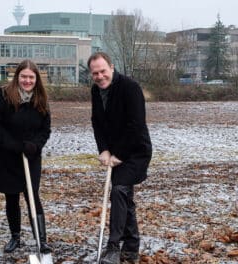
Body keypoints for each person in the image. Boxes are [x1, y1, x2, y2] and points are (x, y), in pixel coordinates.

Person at [88, 52, 152, 264]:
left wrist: (119, 154)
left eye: (103, 71)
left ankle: (114, 246)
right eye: (95, 73)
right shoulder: (95, 91)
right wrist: (103, 149)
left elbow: (136, 125)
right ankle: (132, 246)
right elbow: (97, 122)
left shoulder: (129, 87)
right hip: (114, 151)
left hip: (136, 151)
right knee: (124, 197)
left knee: (119, 190)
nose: (100, 76)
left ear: (112, 68)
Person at [0, 59, 52, 254]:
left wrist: (35, 145)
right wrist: (13, 145)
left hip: (31, 156)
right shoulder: (3, 95)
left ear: (36, 79)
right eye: (24, 76)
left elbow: (45, 129)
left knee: (33, 196)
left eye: (31, 77)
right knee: (12, 197)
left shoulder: (41, 98)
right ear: (17, 77)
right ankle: (15, 236)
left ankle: (41, 239)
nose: (27, 80)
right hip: (7, 156)